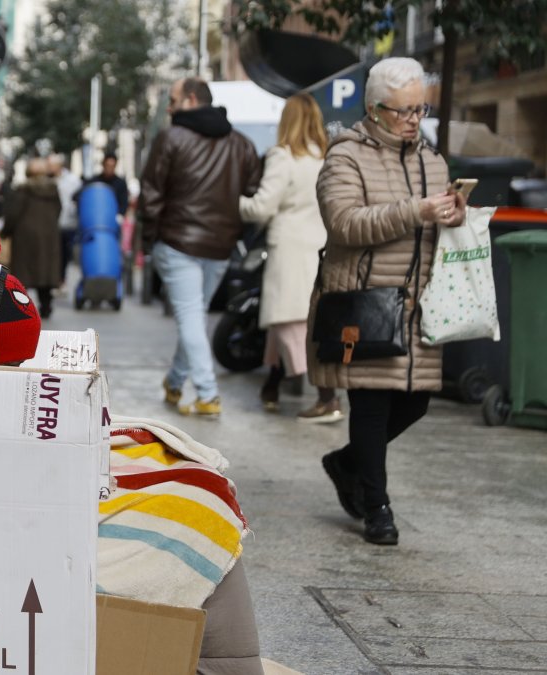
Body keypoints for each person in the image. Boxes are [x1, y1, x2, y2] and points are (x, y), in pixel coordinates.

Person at [313, 57, 464, 545]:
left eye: (420, 109)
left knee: (416, 401)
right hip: (364, 301)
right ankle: (377, 507)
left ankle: (347, 462)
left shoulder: (433, 160)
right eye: (404, 111)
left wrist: (452, 215)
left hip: (418, 303)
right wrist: (415, 211)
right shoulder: (345, 157)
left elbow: (432, 227)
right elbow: (345, 224)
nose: (414, 120)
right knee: (372, 404)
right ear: (375, 109)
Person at [137, 77, 261, 417]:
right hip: (221, 246)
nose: (170, 107)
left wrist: (148, 241)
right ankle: (175, 383)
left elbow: (151, 194)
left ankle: (207, 394)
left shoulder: (170, 138)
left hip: (177, 242)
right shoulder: (242, 144)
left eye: (173, 100)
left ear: (191, 100)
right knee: (194, 316)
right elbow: (252, 193)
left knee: (191, 317)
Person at [238, 93, 342, 423]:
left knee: (289, 323)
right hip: (319, 248)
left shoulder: (283, 156)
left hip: (289, 250)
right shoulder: (325, 158)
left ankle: (328, 398)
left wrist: (236, 202)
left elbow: (262, 207)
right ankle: (271, 387)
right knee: (296, 319)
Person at [3, 158, 62, 318]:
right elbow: (58, 210)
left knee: (24, 273)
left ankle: (21, 306)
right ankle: (46, 305)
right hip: (48, 236)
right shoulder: (53, 190)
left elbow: (13, 213)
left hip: (25, 236)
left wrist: (5, 231)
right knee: (45, 272)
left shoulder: (22, 190)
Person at [48, 154, 83, 283]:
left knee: (64, 254)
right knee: (53, 254)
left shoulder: (72, 180)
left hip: (68, 222)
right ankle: (55, 279)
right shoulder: (48, 180)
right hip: (52, 223)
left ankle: (61, 279)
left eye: (52, 166)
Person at [85, 152, 130, 220]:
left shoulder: (121, 183)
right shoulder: (94, 181)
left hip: (113, 220)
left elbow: (124, 203)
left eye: (112, 166)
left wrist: (120, 215)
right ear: (103, 165)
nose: (109, 169)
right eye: (107, 165)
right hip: (95, 218)